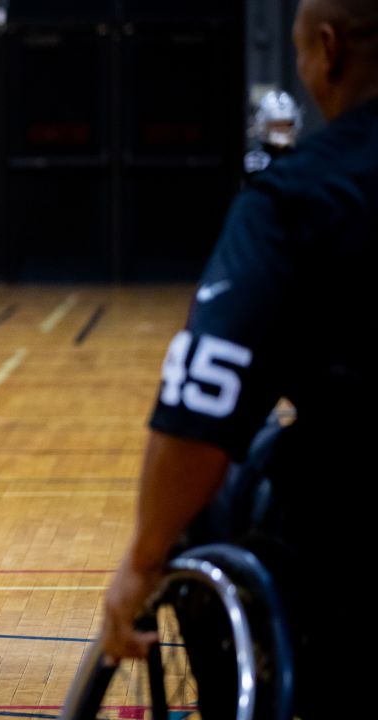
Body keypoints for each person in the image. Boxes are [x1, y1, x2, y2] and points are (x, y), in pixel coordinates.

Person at [100, 0, 377, 713]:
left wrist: (141, 562)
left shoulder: (297, 193)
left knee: (228, 488)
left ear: (328, 49)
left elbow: (201, 410)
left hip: (348, 530)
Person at [243, 89, 303, 176]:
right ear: (262, 125)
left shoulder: (301, 155)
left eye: (288, 124)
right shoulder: (254, 159)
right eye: (276, 125)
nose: (283, 130)